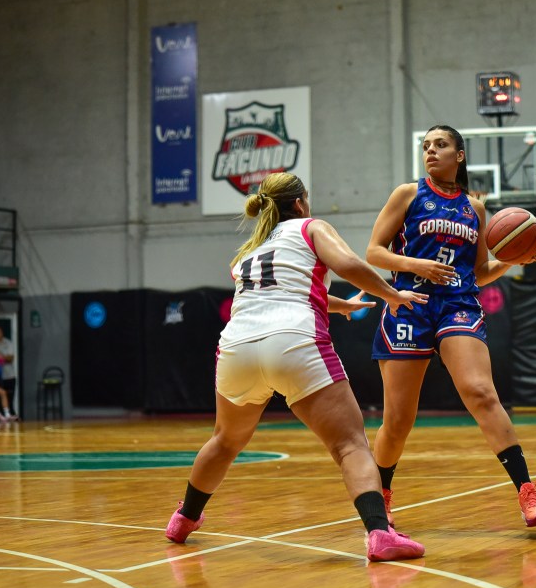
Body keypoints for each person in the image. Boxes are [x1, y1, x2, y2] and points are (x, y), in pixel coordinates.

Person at [166, 172, 428, 562]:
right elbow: (349, 264)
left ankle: (184, 519)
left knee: (224, 441)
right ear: (300, 203)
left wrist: (340, 305)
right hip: (292, 342)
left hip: (237, 348)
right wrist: (391, 294)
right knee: (350, 445)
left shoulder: (248, 252)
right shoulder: (311, 227)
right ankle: (379, 533)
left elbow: (283, 290)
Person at [366, 124, 536, 528]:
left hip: (457, 304)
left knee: (481, 392)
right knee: (397, 421)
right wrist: (416, 265)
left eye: (440, 145)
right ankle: (382, 497)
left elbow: (480, 272)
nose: (431, 151)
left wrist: (511, 260)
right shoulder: (408, 194)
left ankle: (528, 493)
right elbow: (374, 253)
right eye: (426, 146)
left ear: (460, 155)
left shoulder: (476, 208)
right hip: (410, 303)